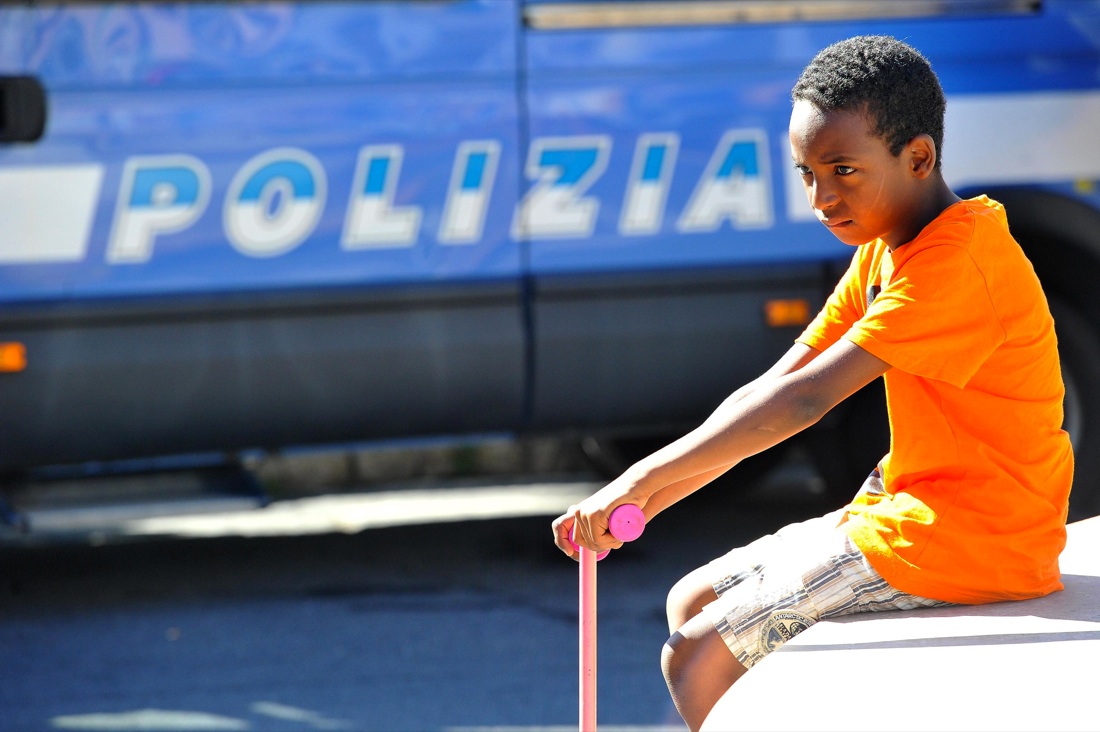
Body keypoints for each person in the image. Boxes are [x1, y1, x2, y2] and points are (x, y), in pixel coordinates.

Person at [552, 35, 1074, 732]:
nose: (821, 197)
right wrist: (642, 500)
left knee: (695, 656)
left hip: (977, 537)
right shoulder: (887, 246)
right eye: (806, 172)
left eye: (844, 170)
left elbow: (804, 402)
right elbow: (775, 384)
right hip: (915, 515)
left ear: (918, 157)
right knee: (689, 599)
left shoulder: (957, 264)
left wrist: (638, 477)